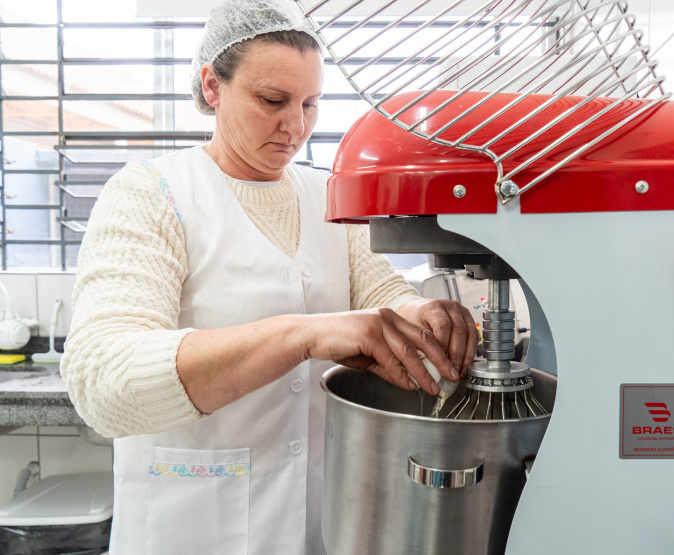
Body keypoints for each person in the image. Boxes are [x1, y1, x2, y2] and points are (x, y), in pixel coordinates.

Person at [59, 1, 477, 553]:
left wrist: (417, 315)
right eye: (272, 101)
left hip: (318, 521)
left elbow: (380, 296)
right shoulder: (152, 195)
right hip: (192, 528)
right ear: (212, 85)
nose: (296, 126)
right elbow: (103, 386)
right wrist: (300, 335)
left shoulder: (327, 197)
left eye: (310, 103)